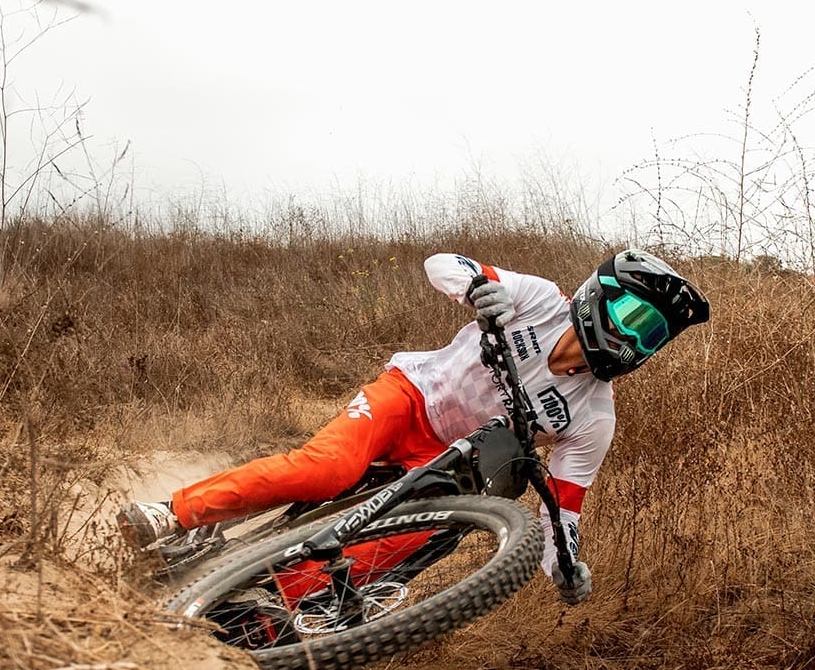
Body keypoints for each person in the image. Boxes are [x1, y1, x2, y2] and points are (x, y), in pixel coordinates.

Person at [118, 250, 710, 604]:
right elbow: (443, 263)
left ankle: (250, 608)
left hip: (445, 464)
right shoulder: (538, 300)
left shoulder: (595, 416)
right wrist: (476, 288)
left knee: (397, 546)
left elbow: (565, 513)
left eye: (653, 336)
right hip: (408, 397)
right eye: (635, 318)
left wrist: (567, 570)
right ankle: (175, 514)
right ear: (600, 296)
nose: (636, 340)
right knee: (329, 469)